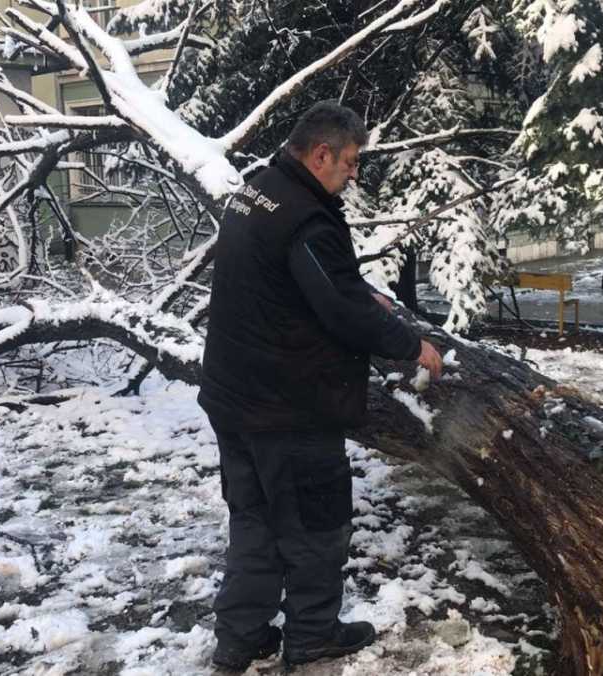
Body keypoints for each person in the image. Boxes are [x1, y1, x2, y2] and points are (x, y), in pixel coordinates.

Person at [198, 101, 443, 671]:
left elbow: (309, 281)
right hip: (288, 405)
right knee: (315, 525)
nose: (354, 173)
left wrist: (365, 293)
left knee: (254, 521)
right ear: (321, 153)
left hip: (233, 397)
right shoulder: (306, 215)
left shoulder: (259, 189)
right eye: (350, 162)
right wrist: (410, 344)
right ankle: (311, 635)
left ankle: (241, 637)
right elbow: (337, 308)